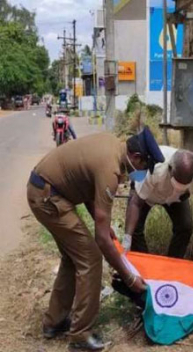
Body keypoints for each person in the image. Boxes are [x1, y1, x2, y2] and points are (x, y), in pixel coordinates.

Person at [27, 127, 164, 351]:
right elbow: (102, 241)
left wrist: (104, 223)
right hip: (48, 197)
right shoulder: (110, 170)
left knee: (74, 256)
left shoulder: (111, 146)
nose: (141, 173)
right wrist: (129, 278)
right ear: (136, 157)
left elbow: (88, 189)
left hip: (45, 190)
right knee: (90, 257)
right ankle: (80, 335)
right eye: (143, 167)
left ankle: (55, 322)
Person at [123, 146, 193, 261]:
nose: (179, 189)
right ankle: (144, 264)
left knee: (185, 227)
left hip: (176, 199)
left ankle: (172, 264)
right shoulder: (154, 166)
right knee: (134, 229)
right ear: (170, 169)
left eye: (183, 188)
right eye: (177, 185)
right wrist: (127, 239)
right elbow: (136, 204)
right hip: (146, 194)